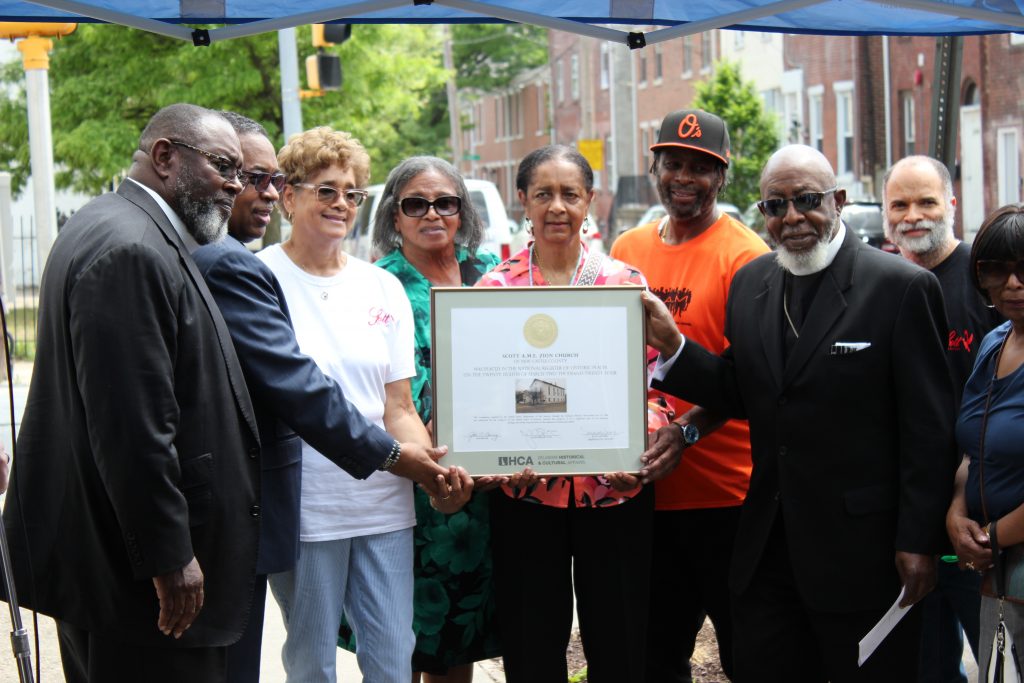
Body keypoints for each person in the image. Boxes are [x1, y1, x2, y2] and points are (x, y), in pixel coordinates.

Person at [642, 144, 958, 681]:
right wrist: (675, 348)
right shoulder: (752, 284)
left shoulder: (900, 288)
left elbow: (928, 432)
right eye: (776, 205)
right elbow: (742, 386)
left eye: (807, 200)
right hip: (768, 552)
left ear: (836, 201)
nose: (792, 218)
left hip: (865, 556)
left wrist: (918, 542)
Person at [1, 103, 260, 682]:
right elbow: (133, 426)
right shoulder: (132, 248)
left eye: (240, 172)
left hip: (116, 571)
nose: (235, 186)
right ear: (165, 156)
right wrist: (169, 557)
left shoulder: (121, 226)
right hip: (141, 589)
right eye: (223, 165)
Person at [192, 114, 454, 683]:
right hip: (307, 508)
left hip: (385, 501)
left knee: (392, 655)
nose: (341, 204)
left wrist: (428, 466)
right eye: (326, 190)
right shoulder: (258, 276)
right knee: (311, 660)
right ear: (287, 196)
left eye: (353, 193)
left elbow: (399, 407)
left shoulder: (383, 286)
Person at [476, 144, 654, 683]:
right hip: (526, 494)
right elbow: (482, 393)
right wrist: (489, 447)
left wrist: (638, 449)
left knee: (621, 646)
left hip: (614, 492)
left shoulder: (625, 285)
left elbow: (656, 387)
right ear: (523, 201)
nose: (557, 207)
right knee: (532, 648)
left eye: (570, 194)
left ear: (590, 201)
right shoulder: (493, 290)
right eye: (544, 194)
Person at [609, 108, 768, 681]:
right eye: (672, 162)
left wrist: (687, 431)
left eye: (700, 167)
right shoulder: (626, 248)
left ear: (721, 176)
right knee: (653, 655)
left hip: (727, 496)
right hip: (640, 492)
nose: (684, 177)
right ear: (654, 167)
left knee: (747, 652)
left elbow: (748, 379)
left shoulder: (747, 257)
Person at [334, 156, 501, 682]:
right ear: (394, 215)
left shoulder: (493, 275)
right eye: (415, 204)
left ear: (462, 210)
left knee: (458, 645)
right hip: (403, 487)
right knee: (399, 637)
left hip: (485, 488)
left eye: (446, 202)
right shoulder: (372, 285)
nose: (432, 214)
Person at [882, 154, 1002, 682]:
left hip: (978, 518)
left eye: (926, 201)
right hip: (906, 519)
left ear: (951, 204)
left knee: (998, 658)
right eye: (900, 204)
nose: (913, 215)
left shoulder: (987, 282)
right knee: (925, 665)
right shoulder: (880, 284)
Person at [945, 204, 1024, 680]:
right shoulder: (994, 341)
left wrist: (991, 537)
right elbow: (975, 446)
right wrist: (957, 512)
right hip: (995, 565)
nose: (1013, 284)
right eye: (997, 270)